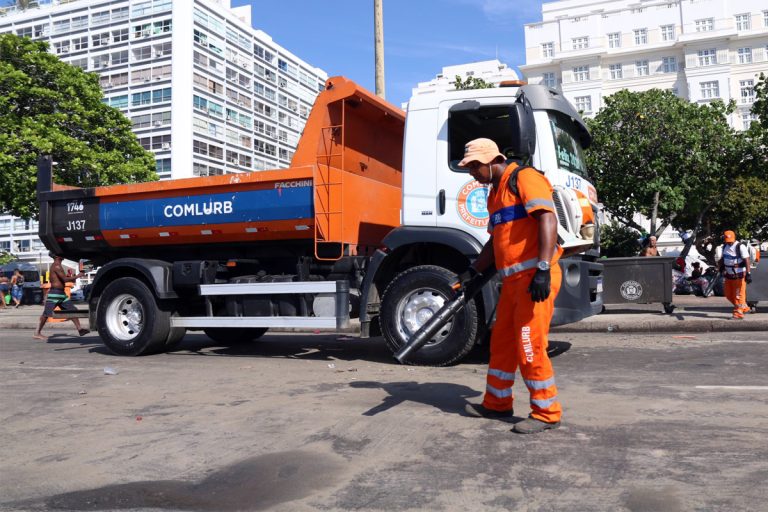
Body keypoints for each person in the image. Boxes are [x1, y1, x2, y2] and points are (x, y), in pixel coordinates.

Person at [457, 138, 562, 434]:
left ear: (494, 160)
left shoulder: (524, 178)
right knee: (501, 342)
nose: (472, 173)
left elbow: (547, 218)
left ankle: (546, 413)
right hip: (513, 282)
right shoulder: (494, 194)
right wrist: (472, 271)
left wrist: (543, 268)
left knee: (529, 345)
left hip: (534, 278)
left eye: (475, 166)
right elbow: (495, 242)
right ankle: (497, 403)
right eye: (469, 167)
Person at [33, 253, 89, 340]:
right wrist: (78, 276)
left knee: (72, 310)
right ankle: (37, 333)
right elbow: (65, 279)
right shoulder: (56, 266)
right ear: (57, 256)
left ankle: (80, 329)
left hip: (61, 294)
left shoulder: (58, 265)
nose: (63, 255)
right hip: (54, 293)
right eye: (60, 254)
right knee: (46, 314)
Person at [718, 230, 751, 320]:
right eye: (728, 241)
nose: (730, 243)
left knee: (738, 295)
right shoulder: (724, 247)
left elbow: (747, 260)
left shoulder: (740, 246)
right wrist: (721, 267)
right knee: (728, 294)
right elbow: (723, 258)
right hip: (729, 274)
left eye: (731, 241)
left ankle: (738, 314)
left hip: (739, 275)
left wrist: (748, 273)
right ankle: (744, 307)